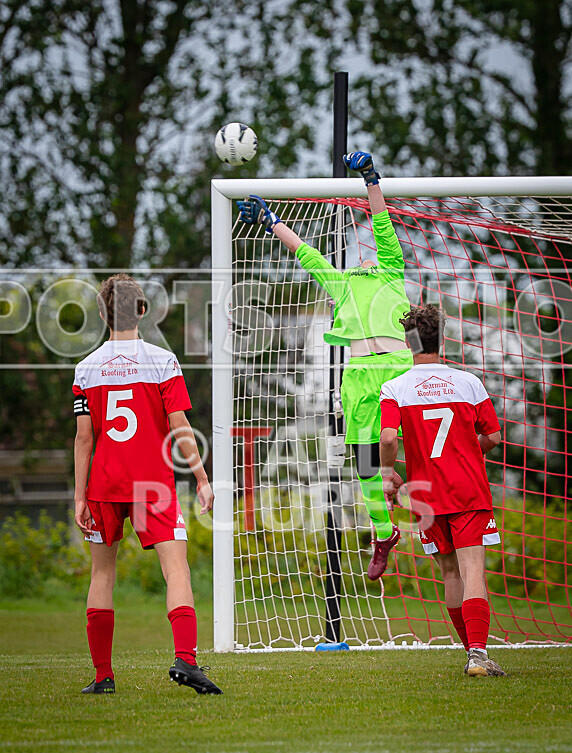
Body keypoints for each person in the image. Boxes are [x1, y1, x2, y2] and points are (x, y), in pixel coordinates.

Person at [237, 151, 413, 580]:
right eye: (360, 257)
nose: (364, 257)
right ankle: (383, 532)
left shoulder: (392, 270)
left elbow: (382, 221)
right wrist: (271, 221)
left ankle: (422, 500)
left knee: (419, 445)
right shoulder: (344, 282)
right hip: (357, 376)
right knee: (365, 461)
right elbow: (307, 254)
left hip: (399, 370)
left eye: (368, 254)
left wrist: (371, 178)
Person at [73, 274, 222, 695]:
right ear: (142, 311)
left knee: (101, 575)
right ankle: (186, 662)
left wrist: (79, 495)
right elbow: (180, 426)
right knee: (176, 570)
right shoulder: (162, 360)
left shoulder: (86, 369)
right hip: (153, 485)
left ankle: (103, 677)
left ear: (103, 314)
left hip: (104, 484)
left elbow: (85, 438)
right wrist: (203, 479)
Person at [379, 304, 506, 677]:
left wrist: (388, 474)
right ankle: (478, 657)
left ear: (409, 342)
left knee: (451, 573)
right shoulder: (468, 382)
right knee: (473, 571)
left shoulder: (396, 387)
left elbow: (388, 436)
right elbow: (494, 437)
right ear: (441, 338)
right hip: (468, 490)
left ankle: (473, 654)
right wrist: (468, 451)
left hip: (426, 495)